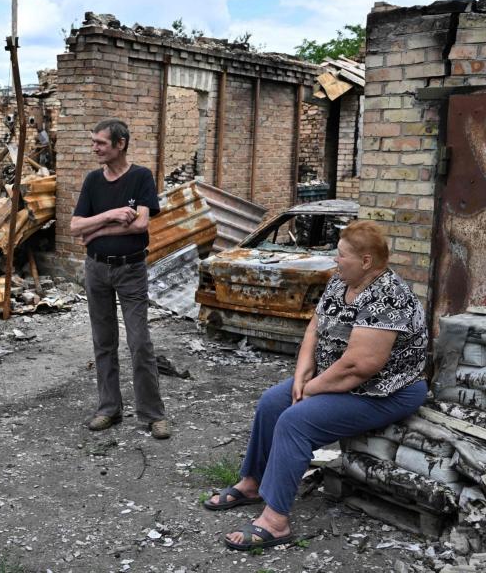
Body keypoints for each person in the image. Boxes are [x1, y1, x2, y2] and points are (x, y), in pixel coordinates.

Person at [203, 220, 428, 550]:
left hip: (385, 390)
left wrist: (311, 389)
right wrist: (302, 371)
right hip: (338, 377)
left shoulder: (389, 297)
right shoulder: (342, 282)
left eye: (341, 255)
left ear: (366, 261)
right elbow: (316, 325)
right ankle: (252, 482)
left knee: (296, 421)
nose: (335, 260)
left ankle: (275, 521)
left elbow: (359, 367)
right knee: (271, 403)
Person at [69, 118, 171, 440]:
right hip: (96, 269)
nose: (94, 148)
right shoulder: (92, 181)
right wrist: (111, 216)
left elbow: (141, 225)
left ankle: (153, 414)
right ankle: (109, 409)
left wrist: (95, 229)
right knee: (104, 341)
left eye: (100, 142)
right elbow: (74, 227)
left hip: (131, 269)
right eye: (93, 141)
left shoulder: (141, 177)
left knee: (140, 342)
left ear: (120, 144)